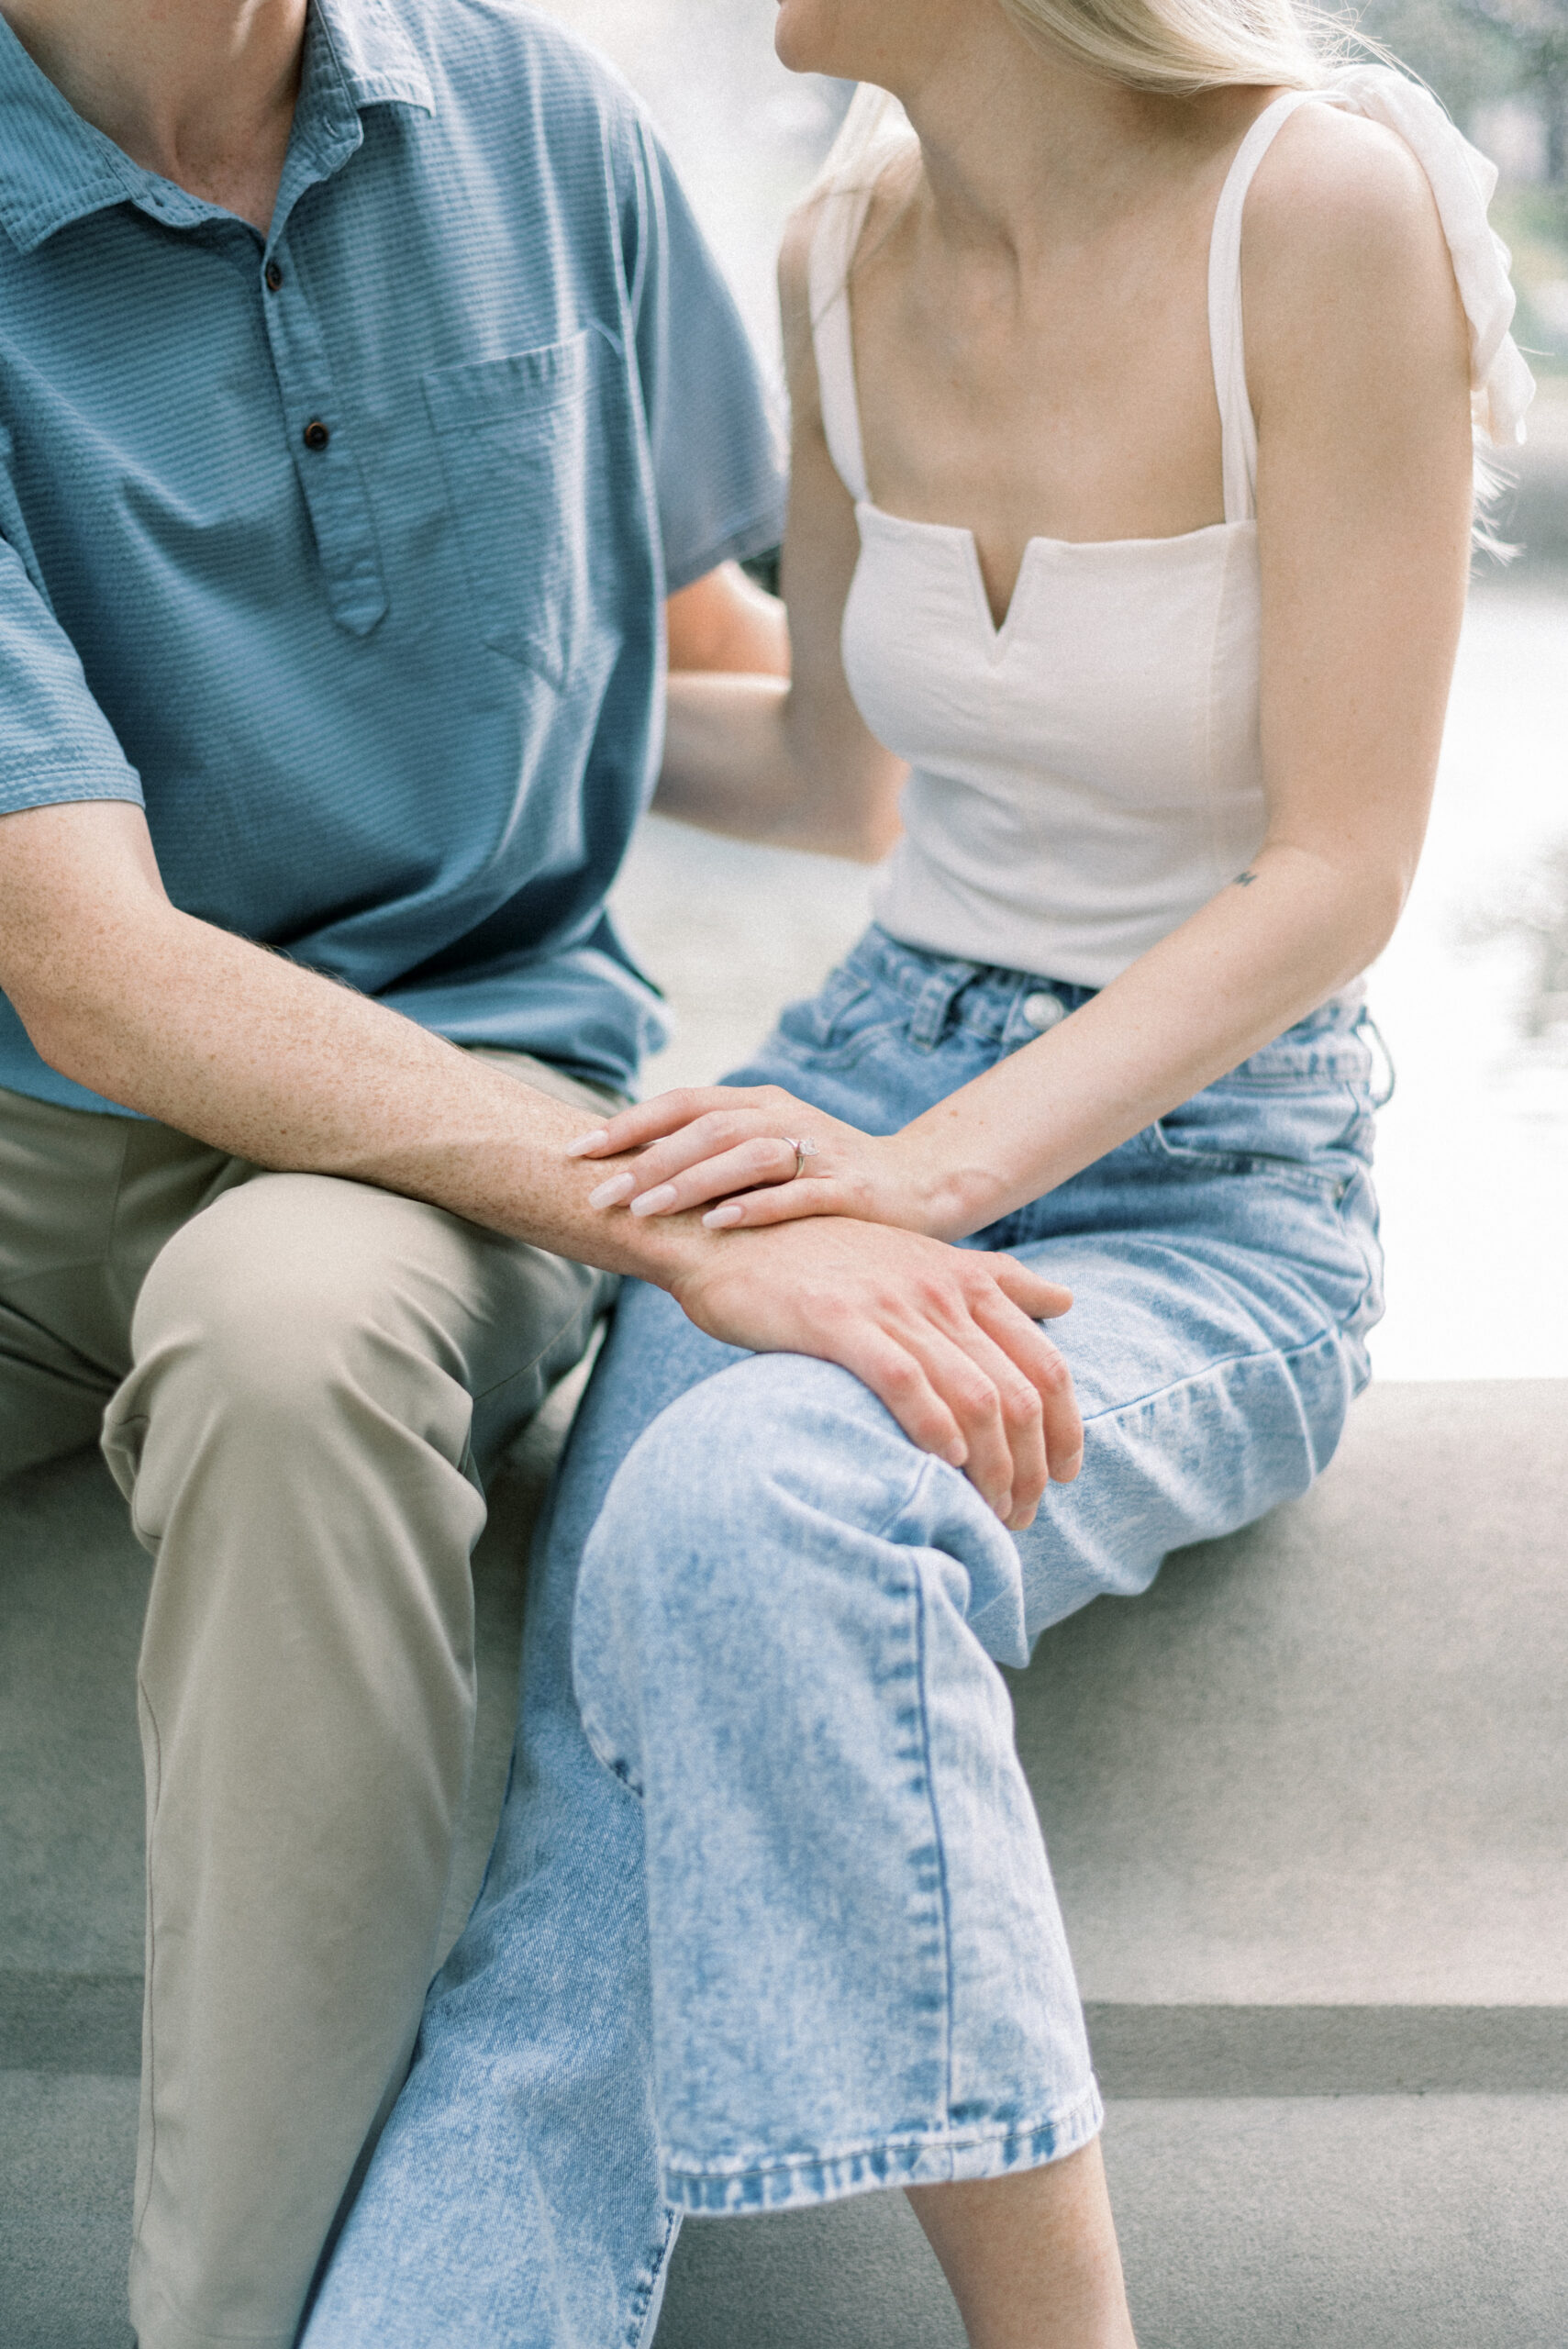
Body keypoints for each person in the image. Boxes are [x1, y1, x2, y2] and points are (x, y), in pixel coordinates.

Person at [302, 1, 1534, 2344]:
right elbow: (835, 779)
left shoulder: (1324, 201)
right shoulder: (839, 246)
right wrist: (399, 691)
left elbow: (1340, 871)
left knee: (760, 1505)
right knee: (563, 1906)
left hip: (1207, 1177)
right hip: (866, 1076)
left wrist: (920, 1185)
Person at [0, 4, 1080, 2343]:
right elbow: (84, 968)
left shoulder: (535, 118)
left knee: (288, 1352)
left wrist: (1027, 534)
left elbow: (782, 728)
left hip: (436, 1117)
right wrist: (704, 1226)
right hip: (37, 1101)